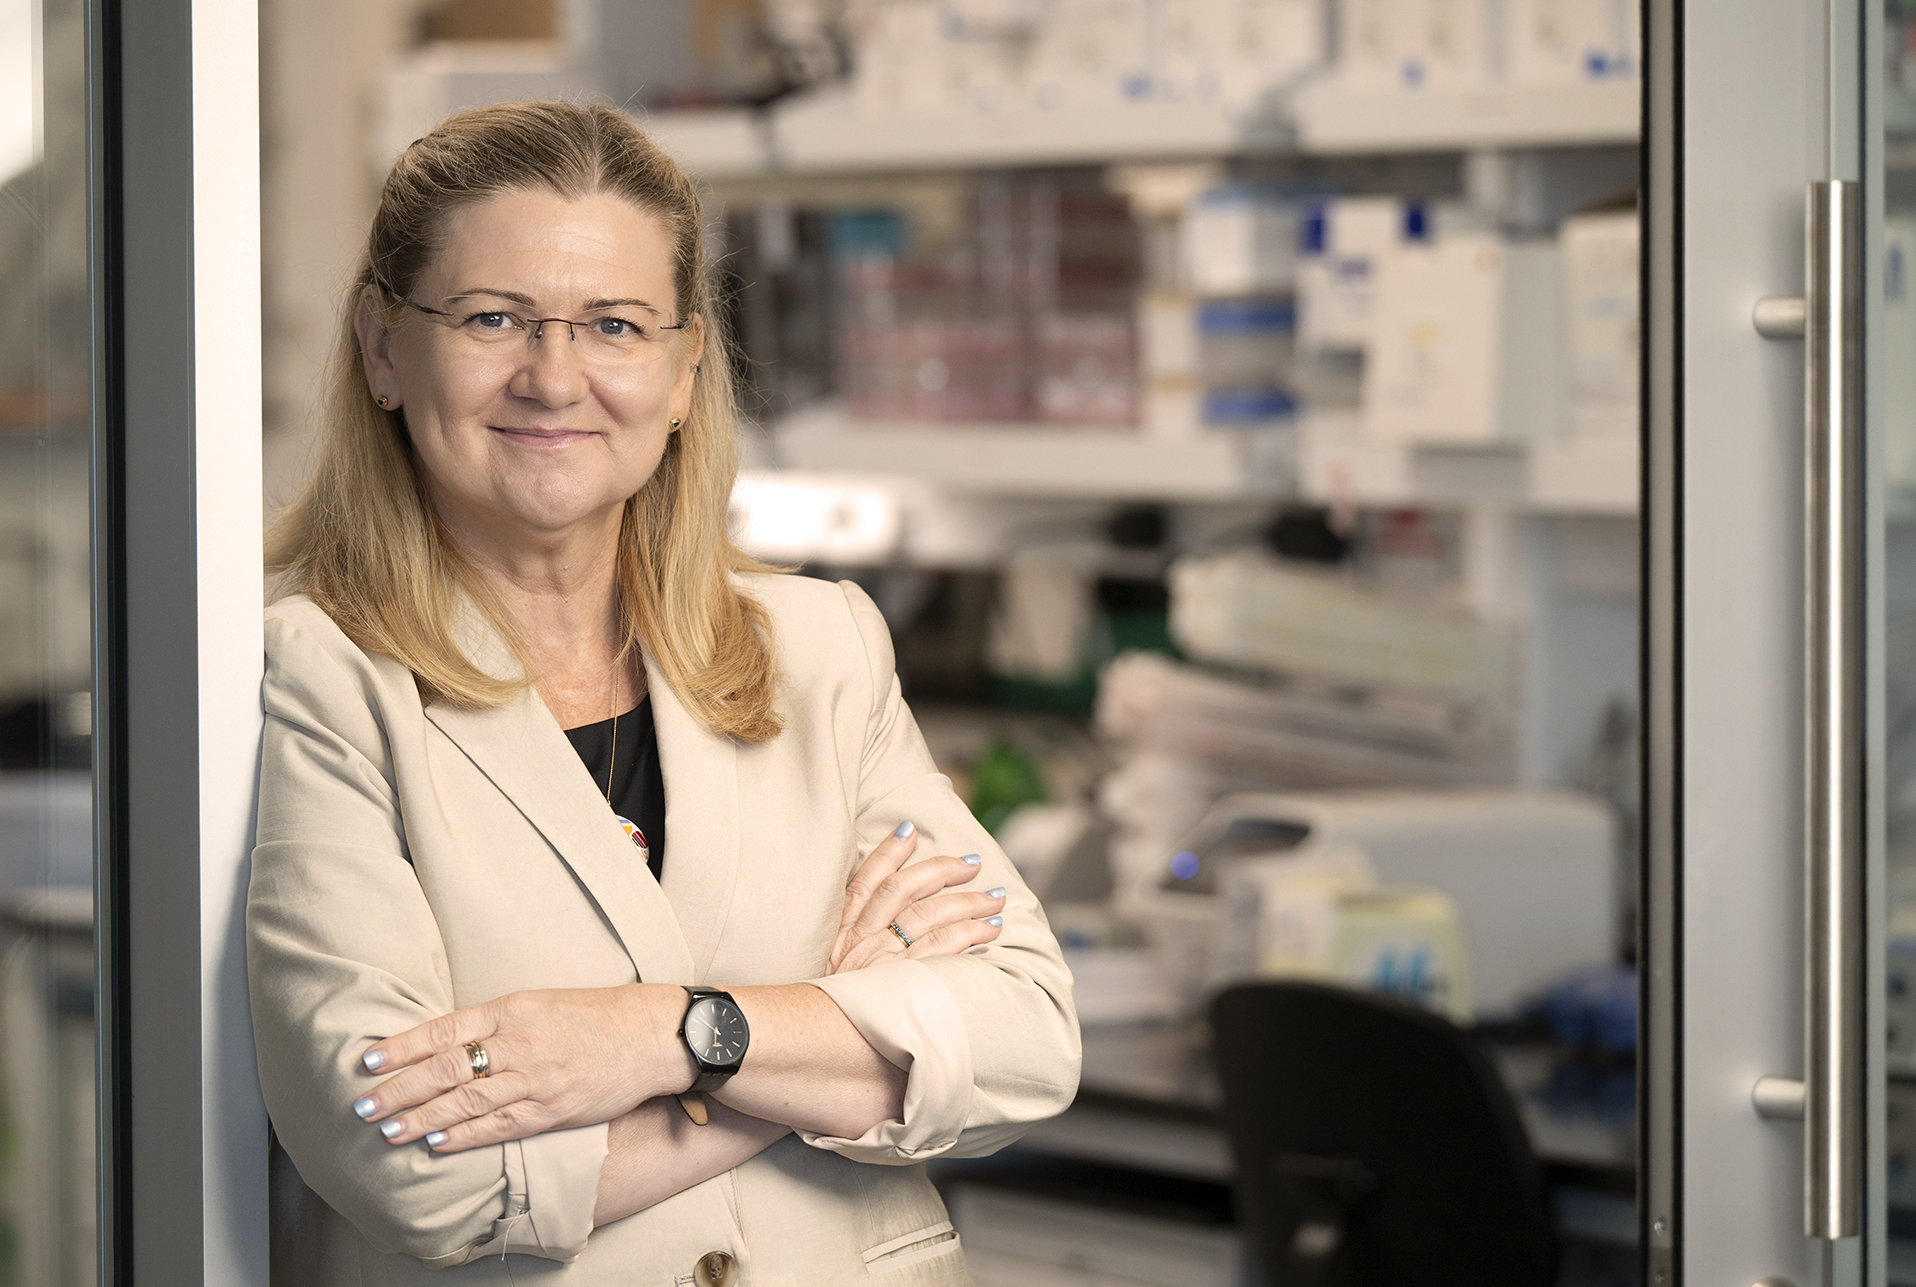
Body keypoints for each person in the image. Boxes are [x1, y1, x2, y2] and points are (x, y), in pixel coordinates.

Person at [248, 100, 1080, 1285]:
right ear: (385, 348)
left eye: (614, 326)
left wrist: (665, 1035)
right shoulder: (320, 678)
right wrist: (828, 1030)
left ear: (685, 370)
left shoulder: (818, 647)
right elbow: (416, 1168)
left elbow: (1023, 1039)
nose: (554, 377)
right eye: (494, 318)